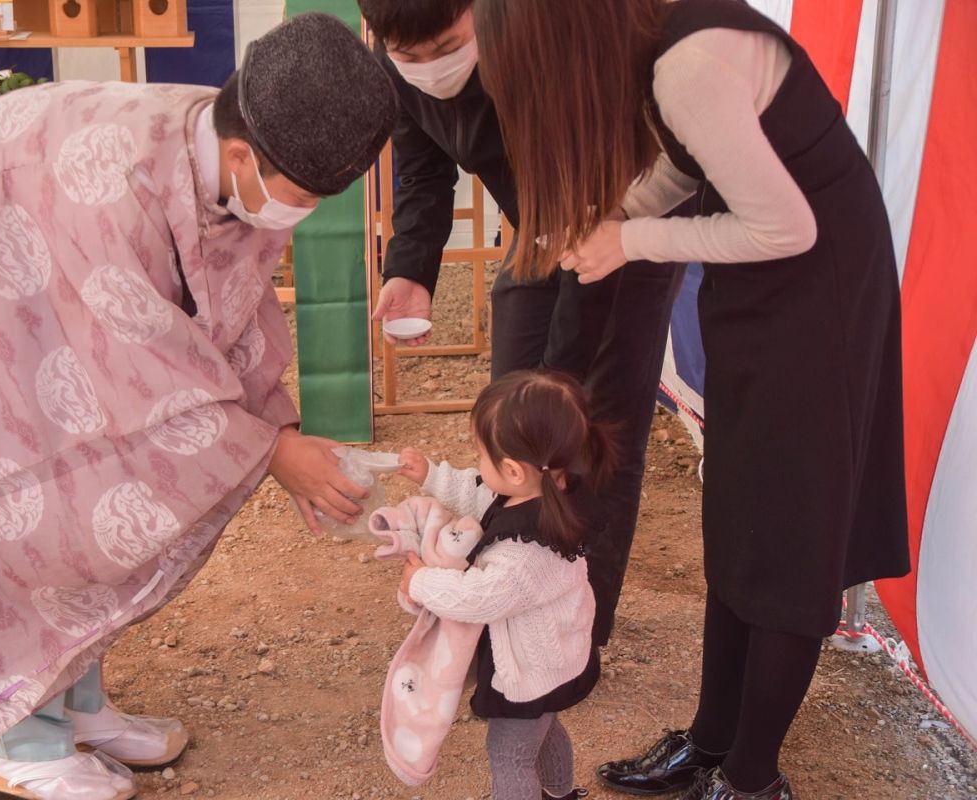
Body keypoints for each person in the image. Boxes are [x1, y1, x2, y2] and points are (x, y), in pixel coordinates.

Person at [0, 13, 396, 800]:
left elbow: (222, 315)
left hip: (39, 279)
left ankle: (78, 703)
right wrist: (272, 451)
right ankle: (23, 737)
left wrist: (278, 426)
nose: (301, 214)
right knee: (28, 500)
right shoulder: (111, 175)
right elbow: (141, 367)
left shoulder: (221, 149)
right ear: (246, 154)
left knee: (96, 495)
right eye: (304, 195)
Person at [472, 1, 911, 798]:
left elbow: (786, 227)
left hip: (819, 297)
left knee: (785, 545)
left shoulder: (689, 63)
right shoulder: (655, 48)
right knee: (739, 520)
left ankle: (749, 780)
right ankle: (711, 744)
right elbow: (684, 164)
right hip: (766, 294)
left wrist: (632, 241)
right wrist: (613, 218)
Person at [356, 0, 684, 653]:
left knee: (591, 425)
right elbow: (422, 167)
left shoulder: (553, 33)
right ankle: (509, 604)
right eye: (407, 56)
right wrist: (411, 268)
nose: (427, 68)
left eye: (444, 46)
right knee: (511, 420)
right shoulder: (394, 60)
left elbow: (622, 155)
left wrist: (562, 369)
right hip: (538, 220)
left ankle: (576, 636)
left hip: (621, 217)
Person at [398, 369, 617, 800]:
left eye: (480, 455)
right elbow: (477, 493)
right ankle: (559, 792)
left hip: (531, 672)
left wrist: (420, 581)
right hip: (557, 658)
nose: (477, 466)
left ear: (515, 470)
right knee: (545, 728)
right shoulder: (550, 489)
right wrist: (430, 474)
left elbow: (477, 598)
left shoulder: (524, 555)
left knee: (510, 754)